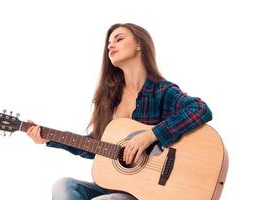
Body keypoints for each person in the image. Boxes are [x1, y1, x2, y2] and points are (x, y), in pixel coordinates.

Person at [27, 23, 213, 200]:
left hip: (147, 193)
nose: (111, 46)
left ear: (139, 44)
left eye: (118, 39)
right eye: (109, 44)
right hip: (117, 186)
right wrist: (49, 138)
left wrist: (151, 135)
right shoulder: (110, 98)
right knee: (63, 186)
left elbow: (200, 109)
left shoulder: (161, 91)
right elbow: (96, 145)